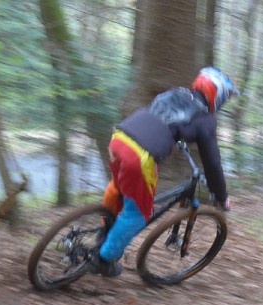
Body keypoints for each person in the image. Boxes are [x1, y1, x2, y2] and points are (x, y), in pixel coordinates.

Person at [89, 66, 238, 277]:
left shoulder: (177, 92)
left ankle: (104, 232)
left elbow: (162, 117)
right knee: (139, 214)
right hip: (139, 156)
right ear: (218, 95)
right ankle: (103, 260)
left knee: (119, 188)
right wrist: (222, 197)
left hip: (119, 138)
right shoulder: (206, 120)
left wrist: (177, 137)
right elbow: (212, 164)